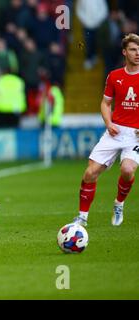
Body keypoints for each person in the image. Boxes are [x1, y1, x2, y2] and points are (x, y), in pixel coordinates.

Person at [73, 33, 139, 227]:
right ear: (124, 52)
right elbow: (105, 103)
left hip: (135, 135)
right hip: (115, 130)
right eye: (133, 50)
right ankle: (82, 217)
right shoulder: (115, 76)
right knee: (90, 173)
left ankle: (119, 203)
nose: (137, 53)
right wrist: (108, 123)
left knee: (127, 169)